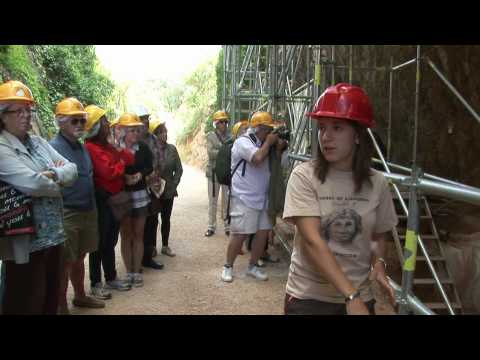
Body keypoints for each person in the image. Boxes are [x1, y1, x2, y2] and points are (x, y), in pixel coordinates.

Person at [282, 83, 398, 315]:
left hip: (360, 296)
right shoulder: (304, 176)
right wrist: (351, 295)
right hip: (309, 299)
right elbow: (313, 241)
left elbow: (378, 235)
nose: (326, 136)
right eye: (322, 128)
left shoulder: (377, 183)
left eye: (337, 127)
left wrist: (379, 265)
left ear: (357, 135)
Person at [0, 80, 78, 314]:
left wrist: (52, 174)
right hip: (24, 242)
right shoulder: (2, 148)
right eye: (18, 111)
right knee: (24, 301)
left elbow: (72, 169)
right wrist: (58, 181)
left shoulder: (38, 142)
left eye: (28, 110)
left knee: (49, 300)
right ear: (3, 116)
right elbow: (32, 184)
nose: (26, 116)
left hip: (54, 235)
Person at [49, 97, 105, 314]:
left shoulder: (81, 147)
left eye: (82, 121)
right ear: (60, 122)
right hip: (67, 212)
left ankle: (80, 296)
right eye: (75, 121)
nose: (80, 125)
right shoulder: (53, 148)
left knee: (80, 256)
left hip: (87, 209)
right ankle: (61, 304)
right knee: (64, 261)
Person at [221, 111, 287, 283]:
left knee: (262, 233)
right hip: (244, 197)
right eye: (267, 129)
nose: (269, 133)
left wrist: (277, 148)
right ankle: (228, 266)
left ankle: (252, 266)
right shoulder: (242, 142)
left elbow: (277, 164)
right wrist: (270, 143)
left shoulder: (265, 143)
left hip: (264, 197)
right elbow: (257, 158)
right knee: (240, 234)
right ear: (258, 128)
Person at [84, 105, 133, 299]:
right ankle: (96, 283)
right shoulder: (91, 148)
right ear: (96, 126)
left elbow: (129, 159)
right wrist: (119, 164)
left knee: (111, 240)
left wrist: (118, 147)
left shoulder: (107, 146)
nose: (108, 124)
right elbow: (109, 172)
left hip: (113, 201)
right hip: (101, 201)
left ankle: (111, 277)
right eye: (104, 121)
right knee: (99, 242)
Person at [116, 113, 153, 287]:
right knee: (126, 234)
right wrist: (124, 177)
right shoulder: (115, 148)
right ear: (123, 131)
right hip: (123, 196)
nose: (135, 134)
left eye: (137, 130)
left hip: (140, 195)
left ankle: (136, 271)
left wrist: (140, 174)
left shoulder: (143, 148)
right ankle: (128, 270)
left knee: (138, 234)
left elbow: (149, 166)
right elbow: (111, 168)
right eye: (132, 130)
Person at [148, 118, 183, 257]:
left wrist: (173, 184)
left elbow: (179, 169)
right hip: (155, 191)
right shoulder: (150, 151)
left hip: (168, 191)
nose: (164, 135)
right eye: (161, 132)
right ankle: (152, 247)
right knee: (153, 220)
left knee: (166, 218)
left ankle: (165, 245)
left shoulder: (172, 149)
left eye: (165, 132)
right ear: (154, 135)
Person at [136, 107, 164, 270]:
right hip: (137, 188)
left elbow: (160, 161)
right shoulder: (129, 140)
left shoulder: (153, 139)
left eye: (147, 118)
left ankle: (148, 256)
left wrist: (155, 177)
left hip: (153, 187)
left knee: (152, 221)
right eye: (142, 118)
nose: (145, 121)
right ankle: (136, 259)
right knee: (139, 224)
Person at [205, 110, 230, 237]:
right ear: (216, 123)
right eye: (221, 122)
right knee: (212, 201)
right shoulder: (211, 136)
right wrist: (224, 150)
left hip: (225, 173)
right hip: (213, 173)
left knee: (227, 201)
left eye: (225, 121)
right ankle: (211, 226)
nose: (224, 124)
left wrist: (219, 150)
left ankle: (227, 225)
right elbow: (210, 153)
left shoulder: (230, 136)